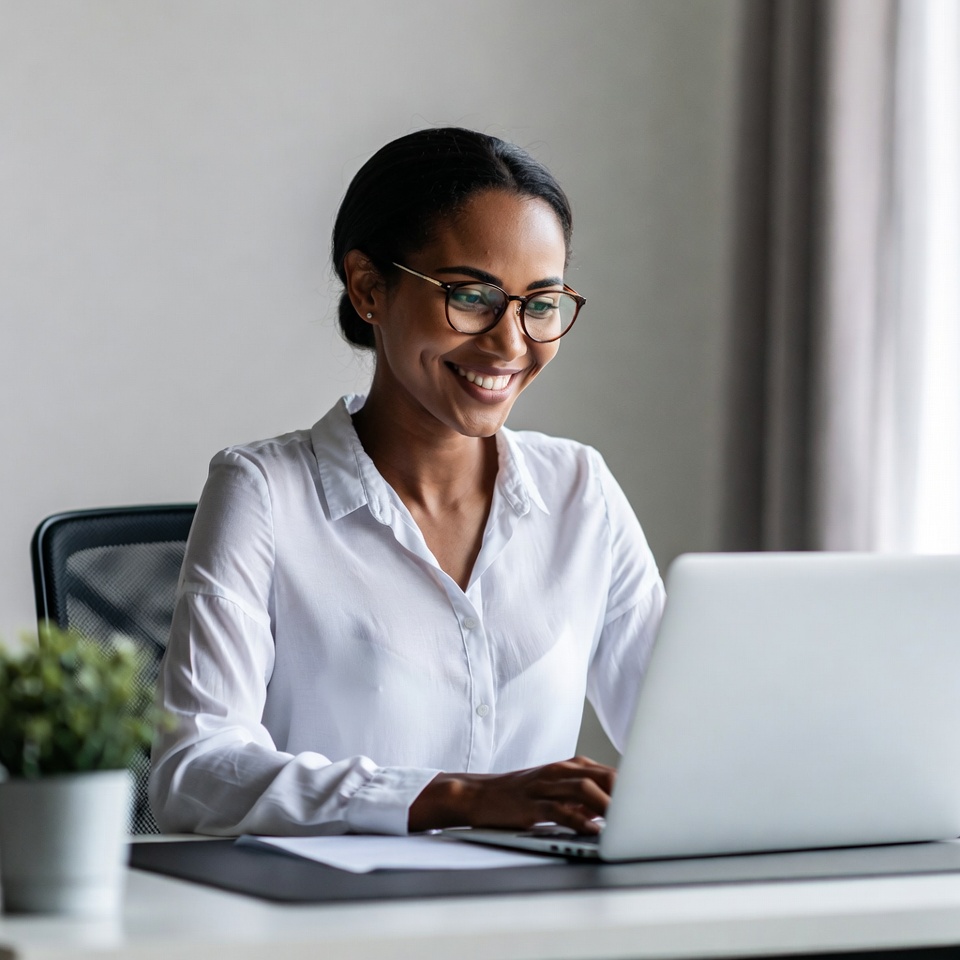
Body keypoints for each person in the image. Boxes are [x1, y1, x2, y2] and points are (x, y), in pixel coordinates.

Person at [149, 127, 665, 837]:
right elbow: (193, 771)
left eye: (540, 303)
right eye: (471, 296)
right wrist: (455, 798)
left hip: (538, 925)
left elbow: (688, 743)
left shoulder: (579, 488)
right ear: (368, 288)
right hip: (336, 928)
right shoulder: (264, 492)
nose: (511, 343)